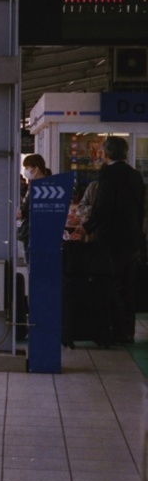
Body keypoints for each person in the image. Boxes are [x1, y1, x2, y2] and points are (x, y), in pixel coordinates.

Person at [75, 136, 145, 344]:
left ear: (105, 154)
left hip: (111, 240)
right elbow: (140, 209)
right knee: (127, 285)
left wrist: (87, 227)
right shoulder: (135, 175)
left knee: (110, 284)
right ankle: (128, 331)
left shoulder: (107, 174)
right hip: (131, 239)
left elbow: (103, 207)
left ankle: (114, 330)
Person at [17, 154, 52, 265]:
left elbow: (30, 209)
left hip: (34, 232)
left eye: (27, 168)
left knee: (33, 265)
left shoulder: (41, 186)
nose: (25, 171)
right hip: (35, 230)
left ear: (36, 168)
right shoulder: (36, 184)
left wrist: (21, 212)